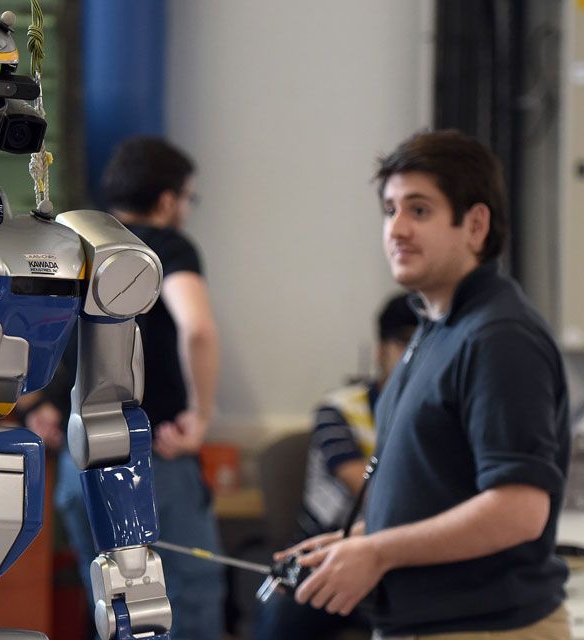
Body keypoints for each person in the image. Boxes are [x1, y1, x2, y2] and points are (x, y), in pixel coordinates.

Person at [279, 130, 572, 640]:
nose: (396, 229)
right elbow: (439, 492)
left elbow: (519, 510)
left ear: (475, 225)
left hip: (484, 628)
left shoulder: (499, 336)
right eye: (390, 210)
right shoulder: (437, 327)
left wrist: (378, 551)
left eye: (419, 210)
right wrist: (357, 542)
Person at [52, 136, 225, 640]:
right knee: (183, 600)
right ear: (169, 199)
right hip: (150, 458)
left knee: (114, 610)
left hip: (79, 460)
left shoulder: (76, 243)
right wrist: (202, 416)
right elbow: (198, 328)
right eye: (188, 198)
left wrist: (43, 405)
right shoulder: (166, 247)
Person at [254, 293, 417, 640]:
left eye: (423, 345)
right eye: (405, 342)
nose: (414, 357)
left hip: (392, 561)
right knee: (280, 614)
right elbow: (374, 494)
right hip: (324, 555)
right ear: (381, 350)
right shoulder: (338, 409)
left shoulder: (433, 414)